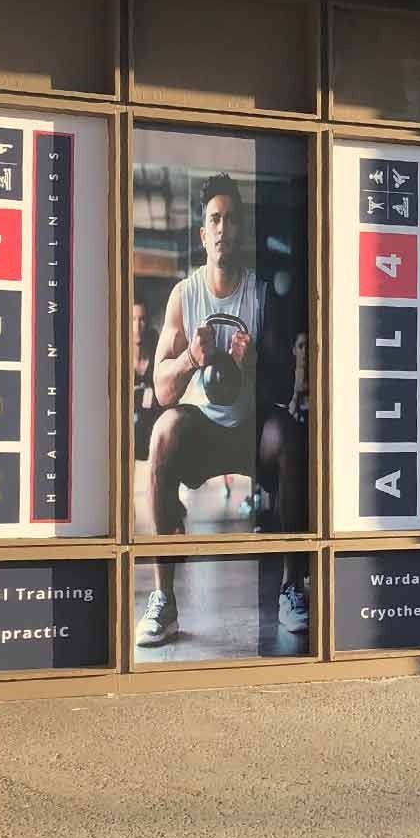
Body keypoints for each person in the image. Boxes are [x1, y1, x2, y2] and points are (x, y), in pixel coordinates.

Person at [136, 174, 308, 647]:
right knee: (163, 432)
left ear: (240, 231)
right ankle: (164, 599)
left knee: (290, 436)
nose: (222, 228)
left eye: (231, 220)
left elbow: (281, 389)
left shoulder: (260, 294)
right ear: (203, 233)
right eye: (214, 219)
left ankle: (293, 586)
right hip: (202, 432)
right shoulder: (185, 295)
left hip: (249, 428)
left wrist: (254, 362)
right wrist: (191, 358)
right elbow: (162, 390)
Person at [129, 294, 161, 461]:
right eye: (133, 319)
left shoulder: (156, 350)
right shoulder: (118, 354)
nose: (137, 326)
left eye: (141, 319)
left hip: (151, 425)